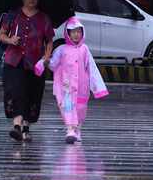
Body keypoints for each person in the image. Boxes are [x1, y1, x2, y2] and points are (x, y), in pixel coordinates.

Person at [0, 0, 54, 142]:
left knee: (32, 94)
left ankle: (25, 128)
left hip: (35, 63)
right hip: (14, 61)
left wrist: (47, 56)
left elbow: (49, 40)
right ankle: (16, 126)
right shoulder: (13, 15)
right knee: (16, 91)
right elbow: (1, 35)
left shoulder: (44, 18)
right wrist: (10, 39)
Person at [47, 16, 109, 144]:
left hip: (82, 87)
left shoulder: (84, 49)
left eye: (78, 32)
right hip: (67, 87)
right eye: (73, 32)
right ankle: (70, 130)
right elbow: (53, 65)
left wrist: (98, 88)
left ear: (82, 33)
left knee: (80, 109)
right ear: (68, 33)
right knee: (68, 108)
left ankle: (78, 129)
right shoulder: (61, 50)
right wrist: (47, 61)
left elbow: (91, 68)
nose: (76, 35)